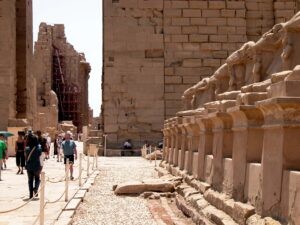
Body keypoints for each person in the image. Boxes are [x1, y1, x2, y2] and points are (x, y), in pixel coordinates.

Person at [25, 129, 41, 199]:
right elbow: (40, 154)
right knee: (37, 178)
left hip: (29, 166)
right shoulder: (39, 148)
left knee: (30, 180)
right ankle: (36, 189)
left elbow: (25, 156)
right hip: (36, 165)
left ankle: (30, 194)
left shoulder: (27, 148)